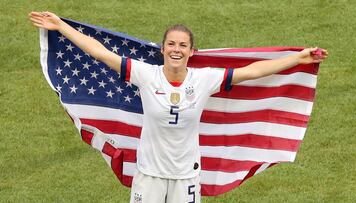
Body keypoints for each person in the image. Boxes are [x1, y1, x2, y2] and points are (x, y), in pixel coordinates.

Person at [29, 11, 328, 203]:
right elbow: (102, 53)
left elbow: (253, 71)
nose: (176, 49)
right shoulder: (146, 74)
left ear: (192, 52)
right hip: (149, 176)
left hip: (186, 177)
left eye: (182, 45)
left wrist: (299, 59)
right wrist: (61, 26)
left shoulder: (204, 79)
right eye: (171, 44)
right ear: (162, 49)